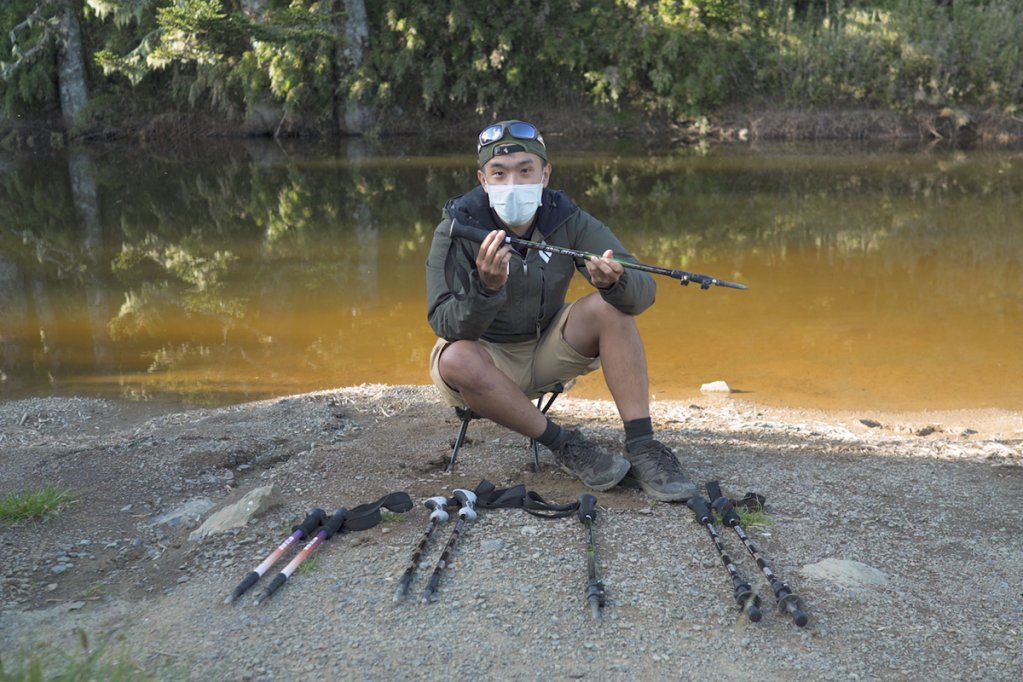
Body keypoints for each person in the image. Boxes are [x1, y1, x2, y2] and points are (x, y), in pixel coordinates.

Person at [425, 120, 696, 502]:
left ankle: (643, 446)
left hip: (548, 346)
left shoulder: (567, 218)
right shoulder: (456, 226)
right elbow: (442, 320)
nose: (513, 184)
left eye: (525, 171)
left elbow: (642, 293)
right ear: (483, 180)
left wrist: (613, 283)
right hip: (487, 361)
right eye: (499, 174)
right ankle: (566, 445)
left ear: (545, 173)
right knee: (455, 358)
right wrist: (485, 290)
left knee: (612, 308)